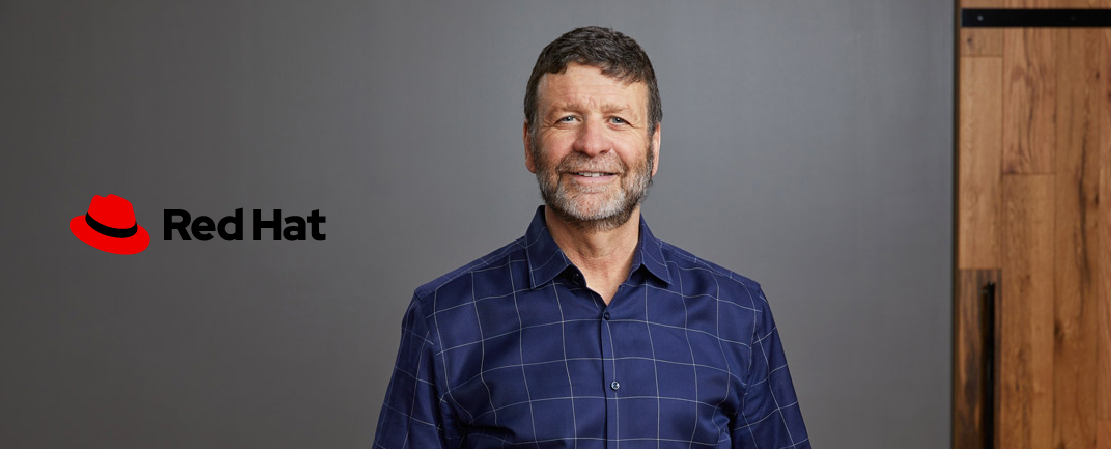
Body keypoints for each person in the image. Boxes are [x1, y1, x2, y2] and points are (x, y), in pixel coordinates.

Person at [372, 26, 809, 449]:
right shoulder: (446, 318)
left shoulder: (738, 313)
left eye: (617, 120)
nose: (592, 144)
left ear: (653, 147)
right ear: (530, 143)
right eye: (567, 119)